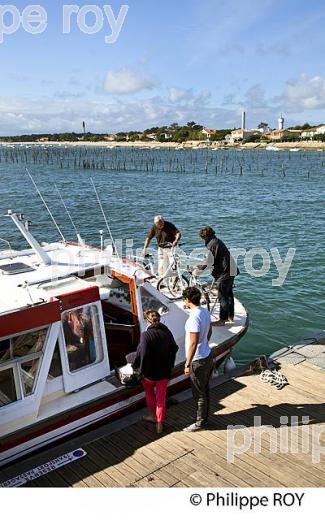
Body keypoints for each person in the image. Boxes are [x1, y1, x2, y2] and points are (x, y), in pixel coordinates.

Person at [128, 309, 179, 433]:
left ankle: (153, 416)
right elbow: (174, 347)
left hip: (149, 373)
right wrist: (169, 363)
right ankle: (159, 424)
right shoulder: (166, 331)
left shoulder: (146, 335)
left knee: (150, 394)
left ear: (147, 321)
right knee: (161, 399)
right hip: (164, 372)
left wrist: (138, 368)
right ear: (159, 319)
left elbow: (143, 353)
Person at [182, 286, 214, 432]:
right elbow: (210, 331)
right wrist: (205, 344)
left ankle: (200, 423)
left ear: (188, 300)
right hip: (207, 355)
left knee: (198, 393)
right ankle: (204, 418)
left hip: (197, 360)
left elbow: (193, 342)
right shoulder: (205, 312)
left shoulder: (193, 318)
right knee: (205, 389)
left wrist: (188, 364)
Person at [194, 226, 238, 326]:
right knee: (229, 295)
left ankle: (222, 320)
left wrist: (197, 270)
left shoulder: (212, 244)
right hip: (231, 270)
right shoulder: (216, 241)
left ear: (204, 236)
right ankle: (230, 316)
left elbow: (208, 262)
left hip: (225, 273)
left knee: (222, 296)